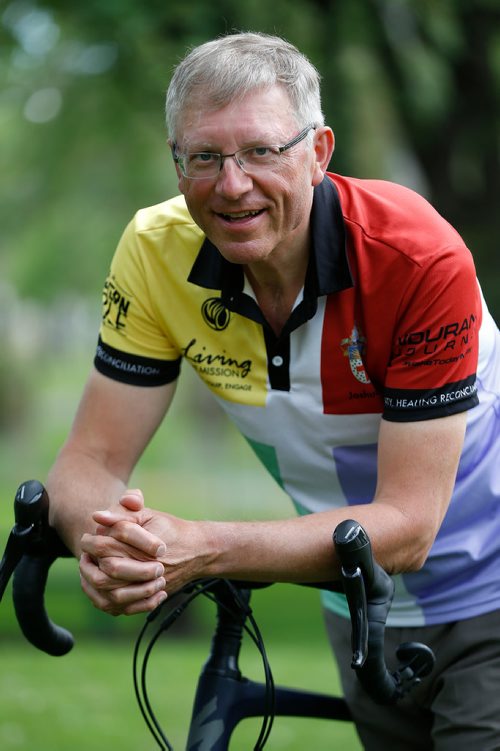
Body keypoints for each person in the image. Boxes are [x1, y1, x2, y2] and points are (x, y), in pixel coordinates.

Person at [46, 31, 500, 750]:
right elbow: (88, 462)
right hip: (354, 603)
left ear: (319, 152)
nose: (231, 184)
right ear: (177, 161)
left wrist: (204, 545)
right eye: (204, 156)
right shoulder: (154, 250)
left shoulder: (415, 257)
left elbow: (410, 526)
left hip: (491, 589)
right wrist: (110, 543)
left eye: (261, 151)